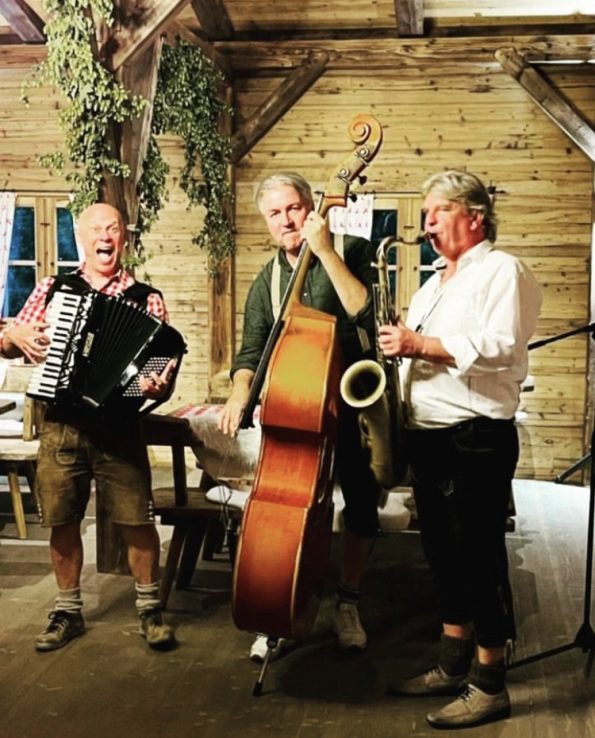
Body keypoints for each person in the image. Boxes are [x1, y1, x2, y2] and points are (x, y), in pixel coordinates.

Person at [379, 170, 542, 729]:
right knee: (443, 557)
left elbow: (500, 347)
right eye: (425, 213)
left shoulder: (503, 270)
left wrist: (418, 343)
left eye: (439, 211)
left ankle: (491, 683)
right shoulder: (433, 285)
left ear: (475, 216)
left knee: (479, 557)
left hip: (474, 437)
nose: (427, 223)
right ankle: (453, 664)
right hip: (431, 436)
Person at [218, 172, 381, 660]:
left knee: (361, 504)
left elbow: (367, 314)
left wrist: (325, 251)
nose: (286, 220)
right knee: (290, 510)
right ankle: (283, 602)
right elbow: (251, 352)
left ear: (312, 207)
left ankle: (348, 601)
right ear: (265, 221)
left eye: (293, 208)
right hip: (299, 410)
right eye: (275, 213)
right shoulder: (266, 282)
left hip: (353, 407)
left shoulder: (352, 250)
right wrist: (239, 392)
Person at [0, 203, 177, 653]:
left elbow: (157, 367)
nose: (105, 236)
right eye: (96, 228)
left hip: (120, 428)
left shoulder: (146, 298)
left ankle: (149, 607)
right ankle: (67, 610)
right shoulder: (53, 289)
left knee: (137, 520)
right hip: (61, 425)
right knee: (62, 521)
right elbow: (9, 343)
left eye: (113, 228)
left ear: (123, 237)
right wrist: (12, 336)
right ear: (81, 236)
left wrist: (154, 383)